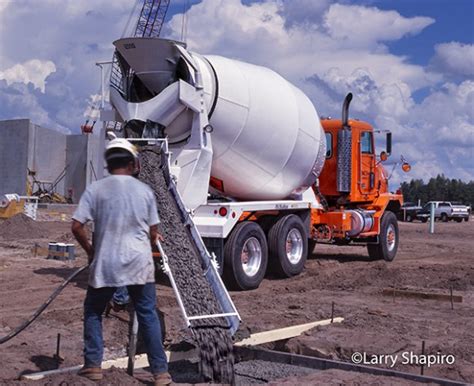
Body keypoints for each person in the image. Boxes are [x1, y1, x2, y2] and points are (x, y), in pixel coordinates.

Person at [71, 138, 171, 385]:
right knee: (147, 313)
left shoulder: (96, 189)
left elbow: (76, 227)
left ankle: (93, 366)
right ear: (132, 163)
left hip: (106, 262)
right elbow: (154, 231)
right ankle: (161, 373)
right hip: (139, 263)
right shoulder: (145, 192)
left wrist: (91, 250)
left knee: (93, 311)